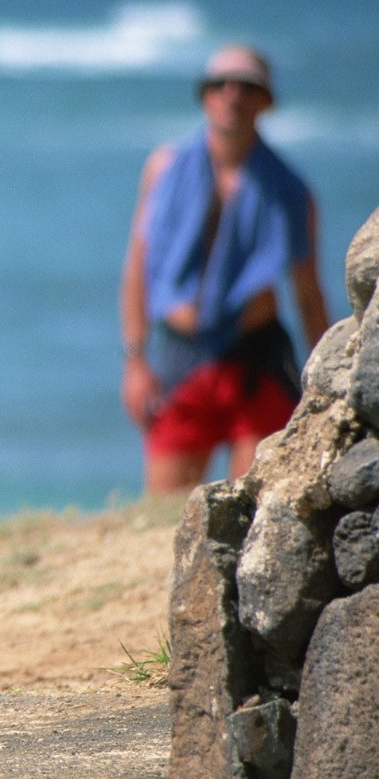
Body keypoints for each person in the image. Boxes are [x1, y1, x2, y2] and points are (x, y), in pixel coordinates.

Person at [119, 43, 330, 493]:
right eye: (220, 85)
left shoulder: (290, 192)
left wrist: (329, 386)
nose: (232, 95)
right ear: (204, 96)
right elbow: (138, 270)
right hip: (180, 356)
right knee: (164, 517)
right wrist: (136, 362)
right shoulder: (164, 169)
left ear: (265, 101)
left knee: (256, 511)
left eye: (247, 87)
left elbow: (308, 296)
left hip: (254, 357)